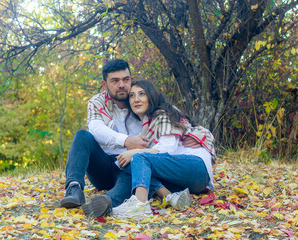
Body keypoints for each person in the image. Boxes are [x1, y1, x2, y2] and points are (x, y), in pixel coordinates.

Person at [82, 80, 215, 220]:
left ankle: (140, 205)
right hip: (181, 181)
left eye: (141, 94)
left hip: (196, 168)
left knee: (139, 158)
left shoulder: (163, 114)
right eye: (132, 96)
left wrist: (134, 152)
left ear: (151, 96)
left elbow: (166, 149)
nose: (136, 99)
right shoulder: (146, 124)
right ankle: (169, 197)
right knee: (134, 167)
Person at [60, 59, 148, 213]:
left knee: (135, 165)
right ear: (104, 84)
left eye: (126, 80)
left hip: (130, 166)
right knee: (82, 136)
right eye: (115, 81)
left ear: (131, 80)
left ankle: (105, 203)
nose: (122, 85)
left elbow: (168, 115)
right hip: (103, 166)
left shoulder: (141, 99)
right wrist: (126, 141)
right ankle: (74, 189)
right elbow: (96, 129)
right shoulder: (97, 102)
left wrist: (194, 134)